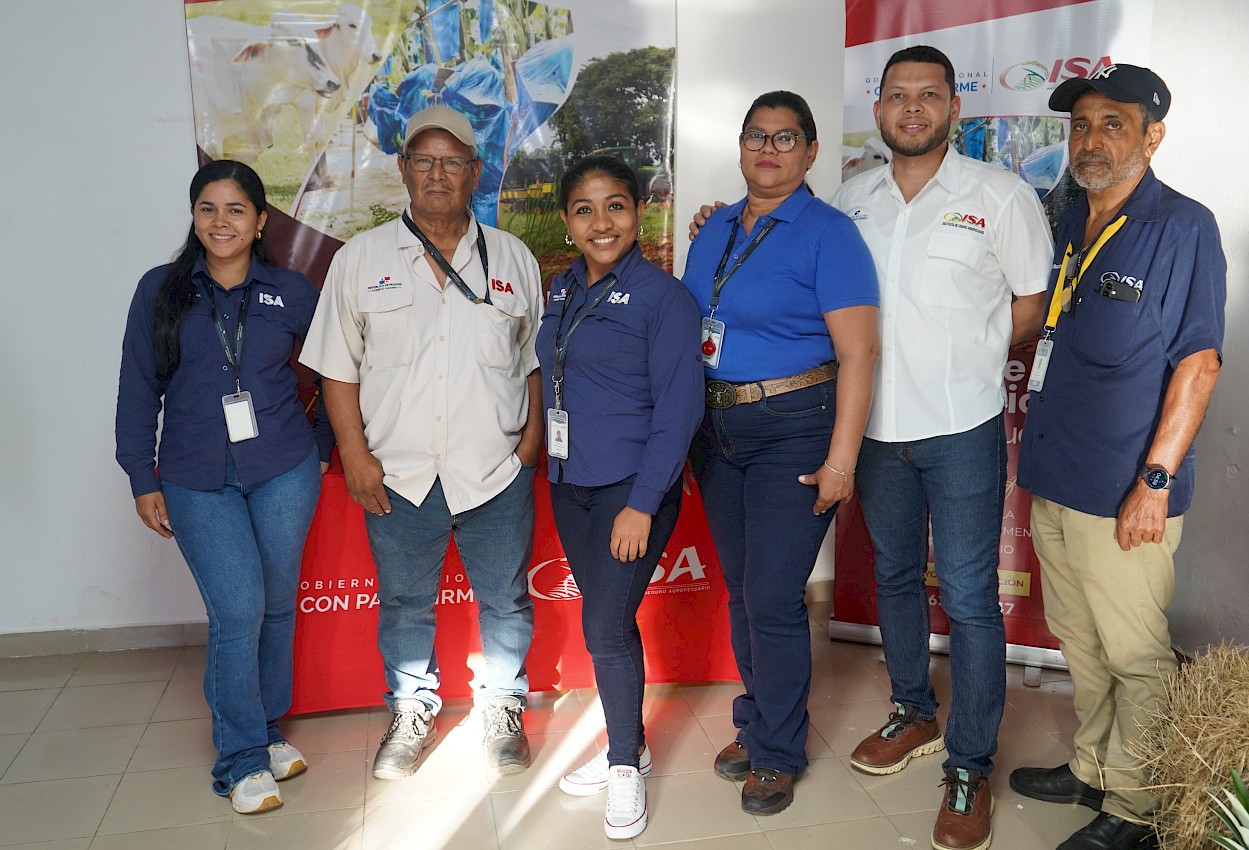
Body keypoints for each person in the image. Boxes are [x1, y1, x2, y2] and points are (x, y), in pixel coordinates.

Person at [828, 46, 1054, 850]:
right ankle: (913, 711)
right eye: (899, 95)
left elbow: (1031, 302)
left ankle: (970, 764)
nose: (913, 107)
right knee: (893, 576)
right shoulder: (851, 200)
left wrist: (974, 355)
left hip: (960, 426)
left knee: (966, 595)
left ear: (955, 107)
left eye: (930, 94)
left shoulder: (999, 194)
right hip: (874, 430)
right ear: (879, 108)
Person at [1011, 64, 1225, 850]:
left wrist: (1154, 483)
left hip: (1124, 490)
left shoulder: (1182, 228)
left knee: (1136, 656)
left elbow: (1199, 363)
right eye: (1080, 125)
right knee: (1082, 642)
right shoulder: (1072, 218)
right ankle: (1095, 769)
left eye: (1113, 124)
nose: (1091, 141)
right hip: (1057, 479)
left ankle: (1136, 808)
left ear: (1152, 136)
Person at [300, 105, 544, 779]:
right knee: (406, 603)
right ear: (404, 170)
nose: (438, 174)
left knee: (505, 600)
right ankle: (412, 710)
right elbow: (338, 368)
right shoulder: (361, 259)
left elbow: (535, 362)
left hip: (495, 471)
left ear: (475, 172)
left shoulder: (513, 258)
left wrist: (527, 448)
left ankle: (503, 706)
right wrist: (354, 455)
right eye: (424, 161)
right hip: (399, 474)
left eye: (453, 161)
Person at [684, 90, 881, 816]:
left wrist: (841, 462)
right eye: (756, 137)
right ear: (740, 147)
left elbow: (860, 353)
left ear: (811, 151)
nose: (768, 150)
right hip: (718, 430)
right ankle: (759, 720)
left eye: (785, 138)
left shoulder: (831, 234)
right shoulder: (714, 227)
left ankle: (776, 752)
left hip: (794, 426)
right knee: (743, 591)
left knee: (771, 596)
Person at [115, 160, 331, 814]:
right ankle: (240, 759)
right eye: (208, 208)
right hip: (195, 475)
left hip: (283, 470)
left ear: (261, 220)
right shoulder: (161, 290)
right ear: (193, 216)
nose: (221, 221)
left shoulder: (290, 290)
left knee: (276, 605)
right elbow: (137, 388)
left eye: (236, 209)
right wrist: (141, 475)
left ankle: (266, 730)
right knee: (238, 610)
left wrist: (323, 447)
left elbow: (337, 371)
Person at [538, 154, 703, 839]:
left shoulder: (664, 298)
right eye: (585, 209)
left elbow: (680, 410)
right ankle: (630, 745)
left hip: (631, 489)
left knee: (604, 628)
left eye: (615, 206)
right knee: (608, 623)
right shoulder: (561, 288)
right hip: (569, 484)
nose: (601, 222)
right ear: (567, 220)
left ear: (639, 213)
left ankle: (623, 765)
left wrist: (642, 503)